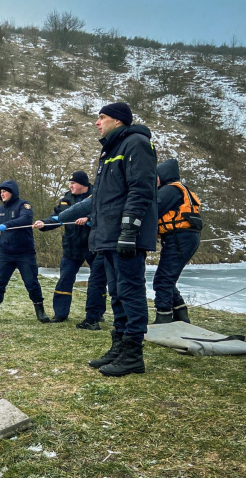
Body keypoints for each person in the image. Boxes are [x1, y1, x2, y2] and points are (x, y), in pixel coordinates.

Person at [86, 102, 157, 377]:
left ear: (118, 120)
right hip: (108, 236)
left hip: (125, 236)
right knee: (116, 293)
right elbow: (102, 201)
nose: (97, 122)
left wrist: (129, 230)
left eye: (101, 117)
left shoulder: (136, 143)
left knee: (130, 291)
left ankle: (133, 354)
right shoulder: (110, 151)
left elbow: (141, 189)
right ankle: (119, 345)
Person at [33, 171, 107, 329]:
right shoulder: (66, 199)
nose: (70, 186)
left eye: (73, 183)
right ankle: (60, 313)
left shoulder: (98, 194)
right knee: (65, 279)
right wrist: (43, 224)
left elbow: (104, 215)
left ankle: (97, 313)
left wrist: (89, 220)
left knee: (98, 281)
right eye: (69, 183)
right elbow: (57, 218)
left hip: (93, 246)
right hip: (71, 246)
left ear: (83, 185)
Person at [0, 180, 50, 324]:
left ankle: (40, 310)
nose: (2, 194)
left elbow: (25, 219)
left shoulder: (24, 205)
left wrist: (7, 224)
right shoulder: (0, 210)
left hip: (25, 252)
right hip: (6, 253)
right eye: (0, 192)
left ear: (12, 192)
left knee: (31, 282)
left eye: (4, 191)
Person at [152, 158, 202, 324]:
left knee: (163, 280)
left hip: (180, 238)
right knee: (167, 278)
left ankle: (163, 318)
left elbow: (153, 210)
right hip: (185, 237)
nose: (155, 179)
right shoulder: (179, 190)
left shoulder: (169, 191)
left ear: (164, 175)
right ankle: (181, 315)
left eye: (157, 176)